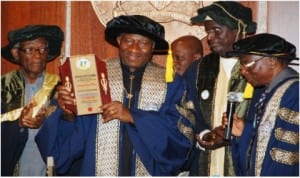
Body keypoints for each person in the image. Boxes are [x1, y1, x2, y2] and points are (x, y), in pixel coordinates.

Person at [35, 15, 198, 176]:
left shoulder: (170, 82)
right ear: (119, 41)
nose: (134, 49)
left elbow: (183, 135)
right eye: (128, 41)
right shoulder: (93, 75)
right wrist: (68, 116)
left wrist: (134, 117)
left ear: (153, 46)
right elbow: (64, 149)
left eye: (143, 43)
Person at [184, 1, 257, 176]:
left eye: (216, 30)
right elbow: (188, 109)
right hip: (204, 162)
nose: (210, 37)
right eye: (208, 31)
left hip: (243, 162)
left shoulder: (257, 68)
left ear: (239, 30)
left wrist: (230, 134)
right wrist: (204, 132)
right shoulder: (198, 68)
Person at [220, 33, 299, 176]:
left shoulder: (295, 93)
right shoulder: (269, 92)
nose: (242, 71)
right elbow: (267, 140)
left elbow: (286, 154)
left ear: (271, 61)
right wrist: (244, 131)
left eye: (246, 64)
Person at [1, 25, 64, 176]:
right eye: (29, 49)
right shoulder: (4, 87)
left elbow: (70, 135)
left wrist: (51, 121)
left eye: (42, 49)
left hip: (47, 168)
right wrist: (19, 124)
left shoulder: (60, 88)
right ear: (16, 54)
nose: (37, 56)